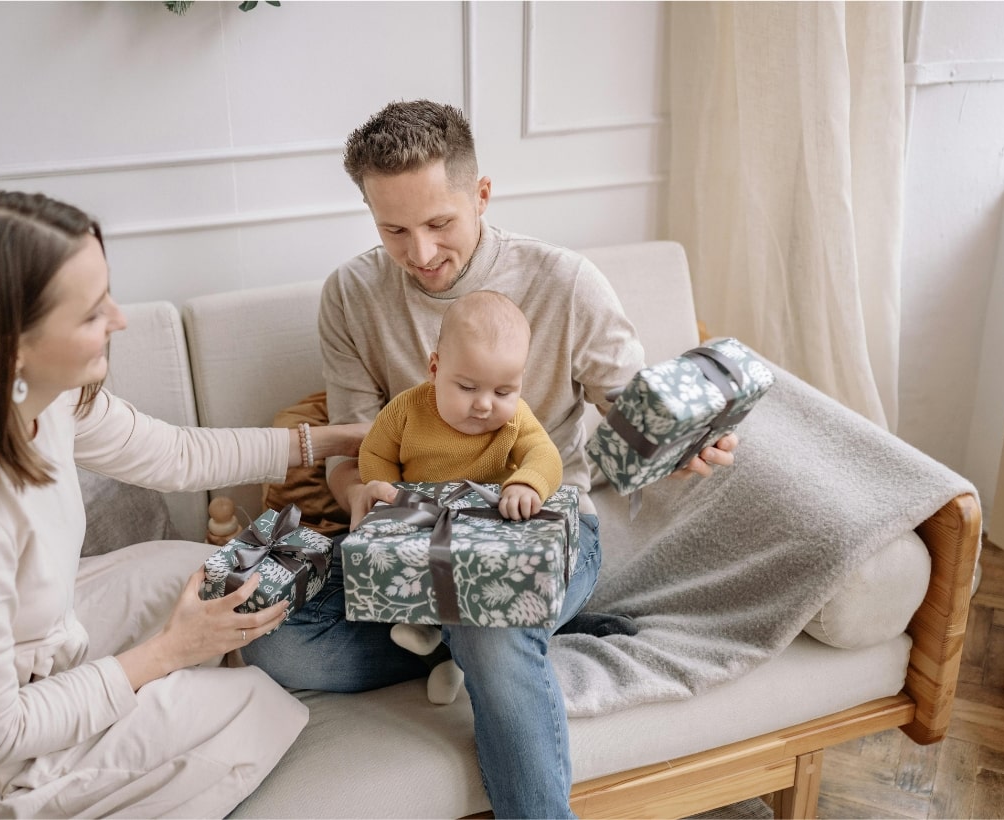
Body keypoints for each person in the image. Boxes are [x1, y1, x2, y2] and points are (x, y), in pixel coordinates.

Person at [242, 99, 738, 818]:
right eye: (393, 230)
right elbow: (354, 446)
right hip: (410, 542)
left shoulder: (564, 282)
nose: (419, 254)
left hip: (542, 530)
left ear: (480, 195)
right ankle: (507, 637)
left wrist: (680, 442)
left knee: (485, 611)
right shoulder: (352, 294)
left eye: (439, 223)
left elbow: (633, 413)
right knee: (275, 644)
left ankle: (493, 643)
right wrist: (358, 494)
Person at [0, 189, 368, 818]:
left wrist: (336, 440)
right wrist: (166, 655)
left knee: (203, 571)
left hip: (37, 638)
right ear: (12, 343)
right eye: (92, 311)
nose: (119, 319)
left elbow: (176, 454)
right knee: (252, 703)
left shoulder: (36, 396)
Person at [358, 289, 563, 705]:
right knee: (401, 573)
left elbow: (545, 453)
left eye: (504, 391)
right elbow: (375, 451)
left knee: (484, 589)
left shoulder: (516, 419)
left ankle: (444, 649)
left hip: (488, 532)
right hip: (422, 523)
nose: (485, 405)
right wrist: (382, 488)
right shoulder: (407, 410)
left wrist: (526, 483)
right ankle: (434, 647)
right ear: (435, 368)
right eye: (467, 387)